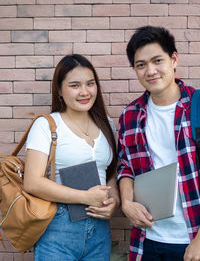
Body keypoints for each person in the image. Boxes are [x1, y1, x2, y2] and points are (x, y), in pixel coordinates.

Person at [117, 26, 200, 261]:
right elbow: (125, 167)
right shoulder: (130, 115)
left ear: (173, 60)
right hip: (147, 240)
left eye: (157, 60)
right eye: (141, 65)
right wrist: (127, 203)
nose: (150, 71)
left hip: (195, 238)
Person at [23, 54, 119, 261]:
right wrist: (85, 197)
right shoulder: (47, 125)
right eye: (75, 85)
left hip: (100, 230)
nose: (85, 92)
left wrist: (115, 202)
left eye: (90, 84)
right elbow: (31, 182)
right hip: (59, 228)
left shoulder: (107, 125)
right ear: (59, 90)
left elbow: (111, 173)